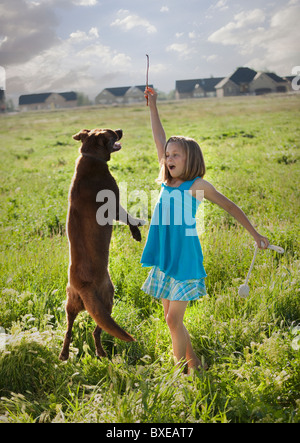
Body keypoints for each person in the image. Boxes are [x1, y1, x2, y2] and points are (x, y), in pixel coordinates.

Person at [141, 87, 269, 373]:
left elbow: (231, 207)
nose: (169, 158)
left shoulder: (197, 186)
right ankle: (193, 362)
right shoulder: (167, 180)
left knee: (173, 321)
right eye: (168, 154)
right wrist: (153, 107)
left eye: (176, 155)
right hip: (165, 255)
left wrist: (256, 235)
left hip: (184, 257)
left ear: (191, 160)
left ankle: (180, 375)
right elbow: (159, 138)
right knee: (170, 319)